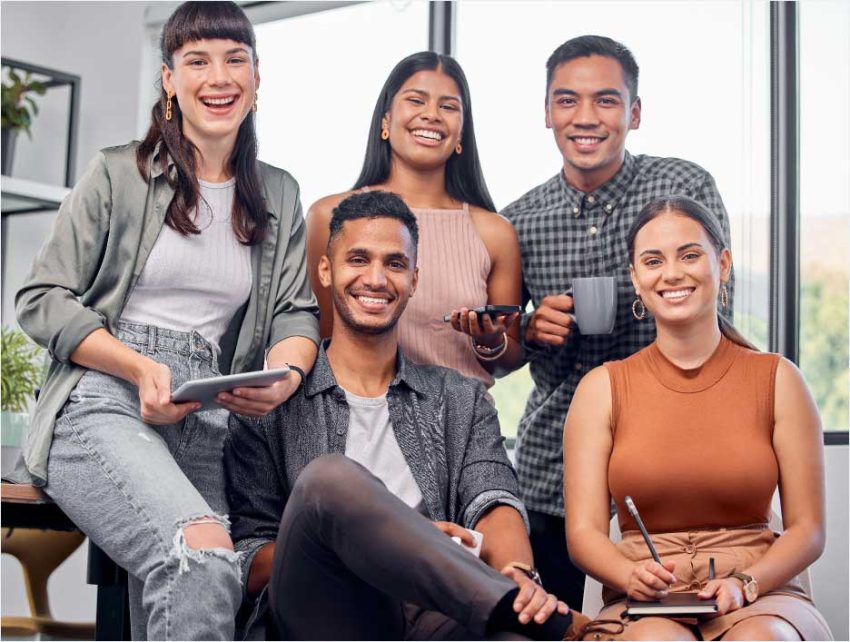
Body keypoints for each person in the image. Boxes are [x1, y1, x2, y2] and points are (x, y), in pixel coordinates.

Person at [13, 2, 319, 639]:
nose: (219, 77)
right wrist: (138, 367)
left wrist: (284, 377)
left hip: (208, 412)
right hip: (104, 394)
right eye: (197, 61)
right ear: (169, 80)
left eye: (236, 60)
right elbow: (41, 298)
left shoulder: (280, 192)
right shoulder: (118, 173)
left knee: (217, 581)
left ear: (258, 78)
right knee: (199, 557)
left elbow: (297, 311)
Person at [226, 191, 587, 640]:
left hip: (433, 612)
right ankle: (562, 627)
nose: (376, 279)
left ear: (414, 279)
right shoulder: (269, 401)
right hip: (322, 611)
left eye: (395, 264)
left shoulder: (459, 397)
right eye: (358, 259)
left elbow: (493, 498)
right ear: (325, 270)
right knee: (329, 479)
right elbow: (249, 560)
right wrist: (396, 545)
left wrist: (518, 572)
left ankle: (519, 613)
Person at [500, 35, 733, 608]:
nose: (585, 118)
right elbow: (498, 357)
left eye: (605, 101)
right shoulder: (519, 220)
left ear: (633, 113)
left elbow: (716, 311)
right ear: (547, 112)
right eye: (567, 101)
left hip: (667, 451)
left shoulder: (682, 187)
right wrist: (529, 331)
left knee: (664, 613)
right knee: (549, 620)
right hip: (551, 459)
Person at [563, 195, 832, 640]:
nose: (672, 274)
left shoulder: (780, 379)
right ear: (635, 278)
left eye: (689, 255)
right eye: (653, 261)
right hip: (647, 603)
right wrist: (629, 576)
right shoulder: (601, 388)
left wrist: (746, 583)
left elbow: (808, 531)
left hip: (759, 592)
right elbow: (583, 534)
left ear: (722, 264)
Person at [306, 51, 523, 388]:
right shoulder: (329, 217)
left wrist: (489, 340)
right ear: (385, 120)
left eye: (448, 107)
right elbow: (318, 340)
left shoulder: (494, 233)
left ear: (462, 133)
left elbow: (508, 359)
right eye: (416, 100)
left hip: (463, 430)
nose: (431, 115)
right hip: (356, 421)